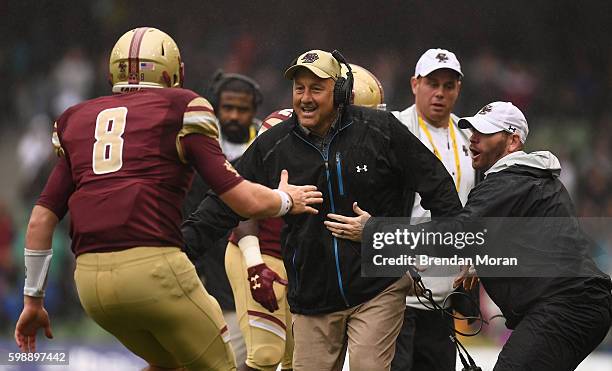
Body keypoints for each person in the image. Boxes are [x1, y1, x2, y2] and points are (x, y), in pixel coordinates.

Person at [13, 27, 323, 371]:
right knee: (223, 365)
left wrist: (32, 299)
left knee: (168, 364)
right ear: (172, 70)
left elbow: (41, 219)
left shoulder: (77, 117)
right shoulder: (181, 107)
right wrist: (284, 199)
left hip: (90, 285)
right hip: (154, 269)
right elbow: (237, 196)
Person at [183, 49, 462, 371]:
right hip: (312, 292)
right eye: (299, 88)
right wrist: (182, 248)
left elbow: (438, 188)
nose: (305, 98)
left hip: (377, 285)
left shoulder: (381, 130)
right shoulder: (274, 144)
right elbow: (226, 200)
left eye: (316, 88)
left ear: (340, 93)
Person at [336, 101, 612, 371]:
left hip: (564, 308)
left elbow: (457, 235)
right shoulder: (536, 178)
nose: (473, 139)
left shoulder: (508, 181)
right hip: (580, 305)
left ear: (513, 142)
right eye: (473, 132)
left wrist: (376, 231)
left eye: (485, 133)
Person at [217, 64, 387, 371]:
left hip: (304, 263)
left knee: (300, 362)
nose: (365, 127)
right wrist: (254, 262)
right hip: (261, 251)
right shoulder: (281, 132)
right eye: (361, 115)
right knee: (265, 355)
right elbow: (244, 200)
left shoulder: (361, 149)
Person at [390, 48, 475, 371]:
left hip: (444, 296)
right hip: (397, 291)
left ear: (458, 90)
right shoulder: (394, 128)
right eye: (432, 83)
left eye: (448, 85)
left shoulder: (470, 135)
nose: (439, 93)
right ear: (414, 84)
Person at [183, 71, 264, 369]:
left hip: (256, 272)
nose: (233, 116)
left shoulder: (266, 145)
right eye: (227, 108)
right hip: (207, 277)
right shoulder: (198, 146)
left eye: (242, 109)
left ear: (254, 110)